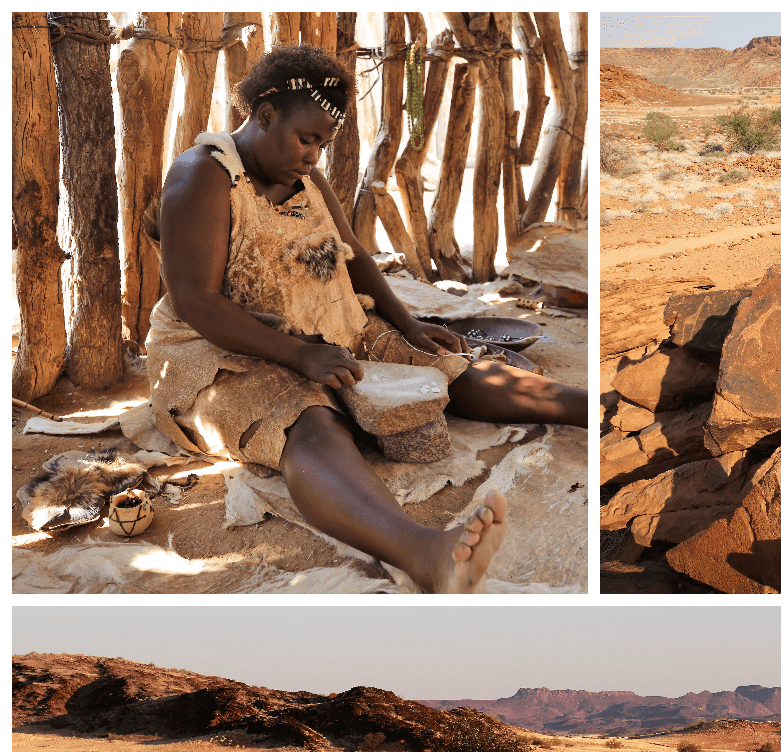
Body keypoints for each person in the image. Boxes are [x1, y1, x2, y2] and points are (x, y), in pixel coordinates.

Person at [148, 44, 586, 593]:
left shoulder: (308, 181)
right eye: (306, 140)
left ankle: (595, 409)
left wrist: (406, 324)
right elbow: (197, 302)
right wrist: (300, 355)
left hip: (325, 322)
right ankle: (425, 553)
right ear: (264, 115)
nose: (313, 157)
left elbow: (352, 254)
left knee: (444, 367)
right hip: (219, 347)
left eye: (322, 146)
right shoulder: (203, 177)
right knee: (308, 423)